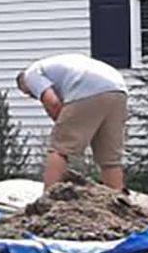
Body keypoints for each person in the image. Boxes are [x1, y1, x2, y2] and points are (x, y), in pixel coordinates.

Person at [17, 53, 130, 190]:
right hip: (118, 89)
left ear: (24, 85)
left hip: (87, 88)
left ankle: (47, 199)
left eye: (30, 94)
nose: (34, 96)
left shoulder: (31, 74)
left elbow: (52, 103)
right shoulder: (57, 66)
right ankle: (118, 203)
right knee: (110, 159)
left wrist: (62, 126)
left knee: (59, 149)